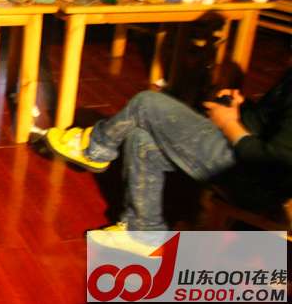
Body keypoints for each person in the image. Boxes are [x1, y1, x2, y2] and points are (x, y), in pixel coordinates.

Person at [46, 68, 292, 252]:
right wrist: (241, 108)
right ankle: (142, 232)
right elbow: (270, 125)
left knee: (147, 102)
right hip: (245, 163)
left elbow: (272, 162)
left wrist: (228, 123)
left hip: (255, 183)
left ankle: (95, 148)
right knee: (141, 137)